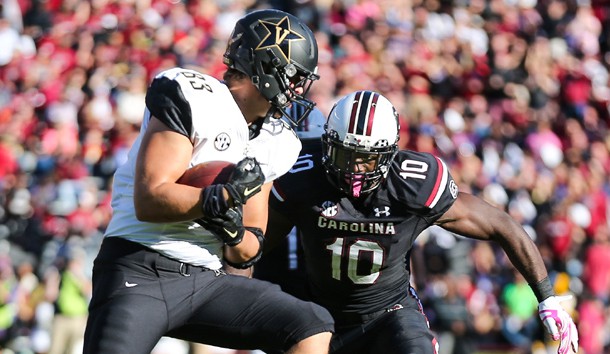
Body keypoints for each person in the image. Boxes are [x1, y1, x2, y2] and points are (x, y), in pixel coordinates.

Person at [83, 9, 334, 354]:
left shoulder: (279, 140)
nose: (296, 90)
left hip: (206, 280)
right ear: (265, 69)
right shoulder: (192, 95)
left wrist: (231, 231)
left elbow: (251, 246)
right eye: (292, 78)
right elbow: (150, 199)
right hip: (139, 268)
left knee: (310, 325)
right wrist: (215, 200)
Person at [263, 90, 579, 354]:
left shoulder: (413, 184)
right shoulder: (304, 176)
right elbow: (257, 243)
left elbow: (500, 224)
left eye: (367, 158)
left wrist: (546, 296)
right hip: (319, 314)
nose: (355, 169)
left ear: (388, 155)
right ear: (328, 143)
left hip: (389, 313)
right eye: (346, 154)